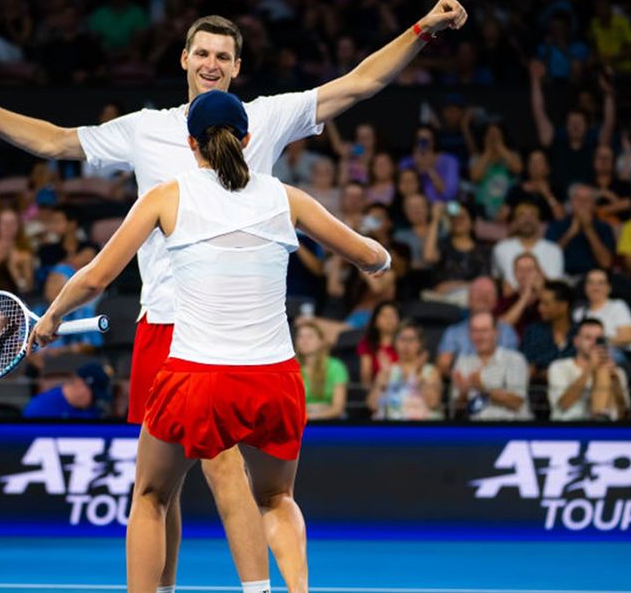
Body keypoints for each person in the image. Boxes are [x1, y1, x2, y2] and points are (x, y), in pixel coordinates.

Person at [0, 0, 467, 591]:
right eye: (202, 52)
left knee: (217, 474)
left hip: (230, 338)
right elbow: (54, 142)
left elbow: (361, 82)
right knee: (163, 488)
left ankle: (254, 588)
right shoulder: (145, 128)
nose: (212, 62)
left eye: (223, 55)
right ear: (185, 58)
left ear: (237, 66)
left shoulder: (267, 117)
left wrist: (423, 29)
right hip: (167, 328)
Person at [28, 90, 392, 593]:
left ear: (190, 143)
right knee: (276, 499)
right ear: (246, 140)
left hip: (196, 378)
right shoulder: (286, 198)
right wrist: (382, 256)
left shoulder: (166, 196)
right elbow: (367, 257)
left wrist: (50, 319)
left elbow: (94, 280)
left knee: (152, 496)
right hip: (275, 379)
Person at [529, 61, 616, 190]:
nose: (575, 126)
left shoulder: (594, 142)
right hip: (559, 198)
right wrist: (535, 81)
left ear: (587, 126)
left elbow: (609, 122)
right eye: (571, 123)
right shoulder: (556, 141)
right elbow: (539, 113)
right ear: (566, 125)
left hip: (587, 196)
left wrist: (608, 94)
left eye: (579, 123)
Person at [452, 312, 533, 421]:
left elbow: (516, 402)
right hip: (476, 431)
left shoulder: (515, 359)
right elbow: (458, 410)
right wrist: (463, 393)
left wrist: (484, 389)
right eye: (475, 331)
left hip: (511, 428)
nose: (479, 336)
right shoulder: (463, 362)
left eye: (484, 330)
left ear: (496, 333)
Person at [547, 319, 631, 421]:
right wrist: (590, 368)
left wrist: (615, 380)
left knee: (603, 371)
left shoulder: (616, 371)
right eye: (588, 338)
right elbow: (564, 404)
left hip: (607, 432)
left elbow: (624, 415)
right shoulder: (558, 367)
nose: (594, 343)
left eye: (599, 339)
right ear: (576, 341)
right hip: (568, 428)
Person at [436, 276, 519, 377]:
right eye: (478, 292)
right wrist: (462, 381)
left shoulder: (507, 331)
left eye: (488, 293)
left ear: (496, 301)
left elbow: (510, 366)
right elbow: (443, 365)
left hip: (499, 385)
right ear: (469, 299)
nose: (483, 296)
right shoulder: (453, 332)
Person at [366, 321, 443, 421]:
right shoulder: (387, 370)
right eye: (402, 339)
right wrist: (383, 378)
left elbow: (432, 403)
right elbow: (372, 406)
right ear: (395, 342)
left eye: (411, 340)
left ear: (420, 343)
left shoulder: (430, 371)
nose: (406, 345)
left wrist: (418, 374)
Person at [545, 183, 616, 276]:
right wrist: (570, 233)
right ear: (571, 203)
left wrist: (588, 229)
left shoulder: (604, 228)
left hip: (593, 277)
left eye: (587, 199)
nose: (582, 203)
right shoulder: (557, 226)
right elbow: (547, 260)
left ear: (594, 205)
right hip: (563, 276)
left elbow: (606, 263)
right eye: (578, 199)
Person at [491, 202, 564, 291]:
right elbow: (497, 280)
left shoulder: (554, 250)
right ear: (515, 221)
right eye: (522, 215)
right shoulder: (501, 248)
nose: (527, 220)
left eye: (532, 215)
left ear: (539, 221)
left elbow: (554, 285)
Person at [572, 269, 631, 358]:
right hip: (586, 355)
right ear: (585, 287)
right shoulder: (578, 313)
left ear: (609, 287)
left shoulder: (617, 306)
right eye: (591, 282)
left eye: (600, 283)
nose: (595, 287)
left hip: (614, 353)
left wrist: (598, 343)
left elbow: (627, 337)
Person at [295, 320, 349, 420]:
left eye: (310, 336)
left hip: (328, 424)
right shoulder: (291, 369)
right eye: (300, 336)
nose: (304, 341)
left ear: (321, 341)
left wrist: (311, 416)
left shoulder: (336, 367)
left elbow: (338, 408)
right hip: (298, 422)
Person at [521, 280, 576, 377]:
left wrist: (543, 371)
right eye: (540, 303)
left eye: (546, 304)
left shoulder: (580, 333)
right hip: (537, 390)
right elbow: (527, 368)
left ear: (563, 306)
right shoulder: (533, 332)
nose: (540, 308)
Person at [23, 363, 113, 419]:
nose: (94, 400)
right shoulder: (41, 407)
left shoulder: (92, 412)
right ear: (80, 384)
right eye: (94, 395)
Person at [356, 300, 400, 390]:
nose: (389, 319)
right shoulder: (367, 343)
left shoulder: (405, 342)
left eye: (392, 315)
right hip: (375, 391)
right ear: (375, 321)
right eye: (384, 315)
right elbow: (365, 376)